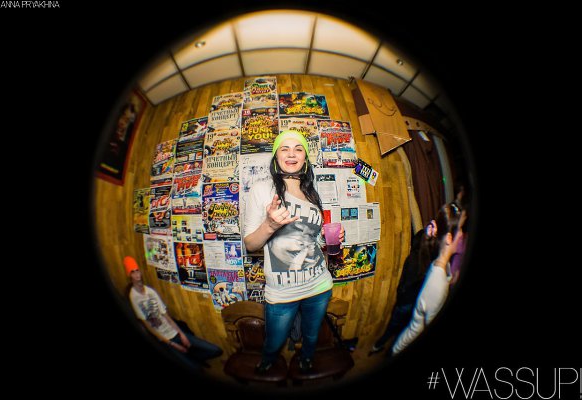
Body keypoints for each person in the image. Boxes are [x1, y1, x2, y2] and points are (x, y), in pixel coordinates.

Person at [243, 130, 344, 374]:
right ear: (276, 156)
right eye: (284, 148)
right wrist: (270, 225)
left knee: (311, 335)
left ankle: (306, 359)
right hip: (281, 291)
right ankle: (268, 360)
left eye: (298, 149)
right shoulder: (262, 189)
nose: (291, 154)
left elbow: (314, 239)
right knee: (274, 340)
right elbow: (250, 244)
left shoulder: (312, 193)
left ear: (305, 158)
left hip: (318, 284)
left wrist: (332, 239)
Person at [124, 256, 223, 372]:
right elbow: (147, 326)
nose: (137, 274)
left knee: (216, 350)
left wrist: (181, 334)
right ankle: (191, 361)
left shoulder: (150, 291)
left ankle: (193, 358)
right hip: (165, 341)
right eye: (133, 272)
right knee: (196, 369)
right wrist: (172, 344)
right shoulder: (133, 297)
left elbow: (166, 316)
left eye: (137, 271)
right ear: (129, 275)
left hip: (174, 332)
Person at [391, 203, 463, 355]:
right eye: (460, 230)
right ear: (449, 238)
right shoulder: (436, 282)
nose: (463, 235)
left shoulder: (440, 264)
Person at [368, 219, 438, 356]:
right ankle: (385, 347)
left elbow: (404, 285)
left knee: (393, 327)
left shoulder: (413, 259)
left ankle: (379, 347)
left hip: (405, 302)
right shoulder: (428, 262)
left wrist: (401, 298)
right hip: (414, 302)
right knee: (402, 328)